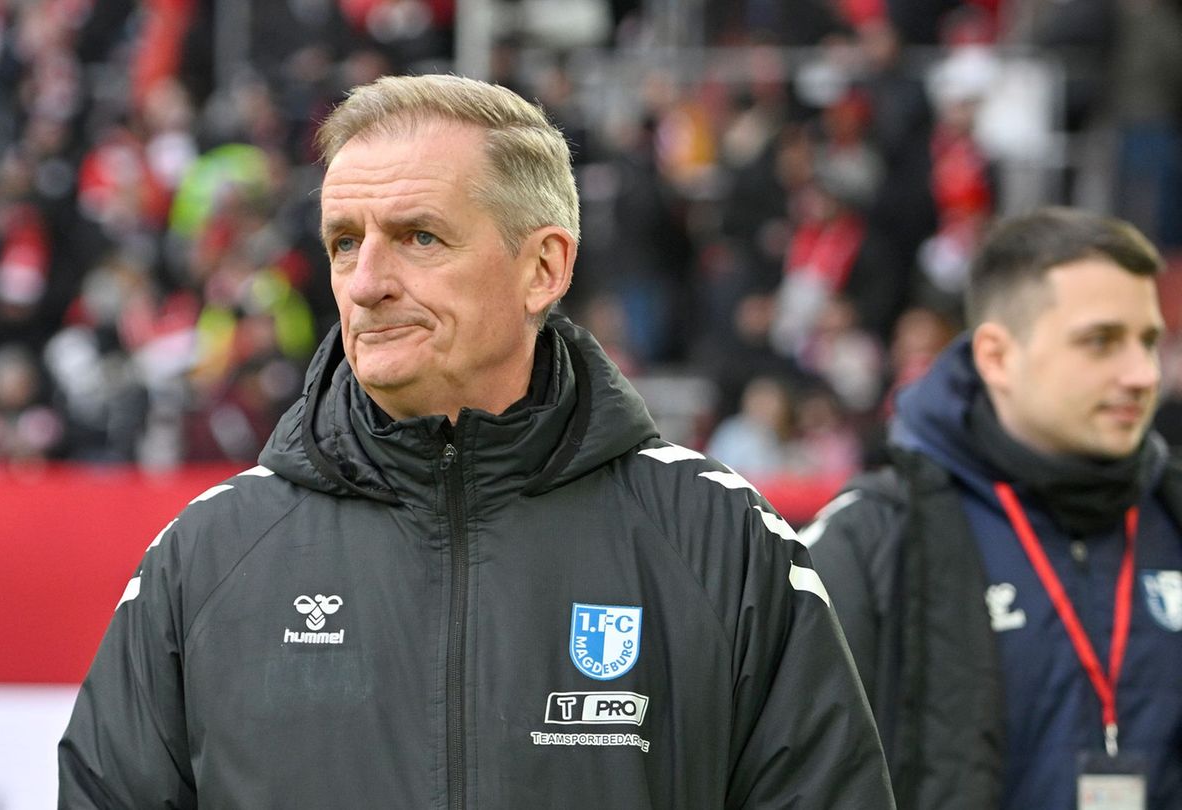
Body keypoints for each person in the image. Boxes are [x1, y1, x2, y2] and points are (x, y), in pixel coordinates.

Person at [58, 74, 893, 808]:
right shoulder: (206, 556)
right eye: (346, 242)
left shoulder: (722, 542)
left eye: (420, 237)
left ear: (544, 269)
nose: (368, 282)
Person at [802, 207, 1182, 810]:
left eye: (1150, 341)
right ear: (998, 356)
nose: (1142, 374)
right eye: (1101, 341)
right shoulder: (873, 538)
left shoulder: (1171, 517)